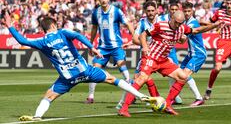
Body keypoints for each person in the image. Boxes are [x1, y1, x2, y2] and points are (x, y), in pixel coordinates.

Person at [2, 12, 155, 121]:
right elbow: (78, 36)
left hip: (67, 78)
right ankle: (143, 97)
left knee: (49, 95)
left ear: (44, 29)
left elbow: (22, 41)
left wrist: (10, 26)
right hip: (85, 71)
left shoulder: (41, 41)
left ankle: (37, 117)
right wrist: (91, 47)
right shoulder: (62, 33)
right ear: (54, 25)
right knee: (112, 79)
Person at [118, 10, 221, 117]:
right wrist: (144, 47)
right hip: (151, 57)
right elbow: (143, 35)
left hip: (163, 60)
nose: (178, 25)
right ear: (171, 18)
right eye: (176, 22)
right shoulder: (160, 25)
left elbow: (197, 30)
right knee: (141, 78)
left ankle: (167, 104)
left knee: (183, 76)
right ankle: (124, 109)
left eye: (180, 23)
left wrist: (214, 25)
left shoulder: (181, 28)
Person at [86, 0, 136, 104]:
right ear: (99, 0)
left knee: (122, 68)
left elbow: (128, 23)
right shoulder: (96, 13)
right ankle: (91, 96)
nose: (103, 1)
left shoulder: (116, 11)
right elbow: (94, 28)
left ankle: (131, 94)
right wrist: (90, 44)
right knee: (94, 69)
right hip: (102, 47)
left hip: (116, 46)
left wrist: (134, 37)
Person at [203, 0, 231, 100]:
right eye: (227, 3)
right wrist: (215, 25)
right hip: (223, 42)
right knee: (217, 68)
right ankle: (209, 89)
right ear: (225, 3)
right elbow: (209, 22)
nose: (229, 6)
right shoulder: (219, 13)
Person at [181, 2, 206, 106]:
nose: (187, 13)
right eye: (185, 11)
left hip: (198, 54)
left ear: (192, 11)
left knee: (184, 75)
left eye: (189, 11)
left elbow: (182, 37)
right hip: (191, 54)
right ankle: (173, 97)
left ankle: (199, 98)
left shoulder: (193, 23)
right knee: (178, 74)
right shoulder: (186, 22)